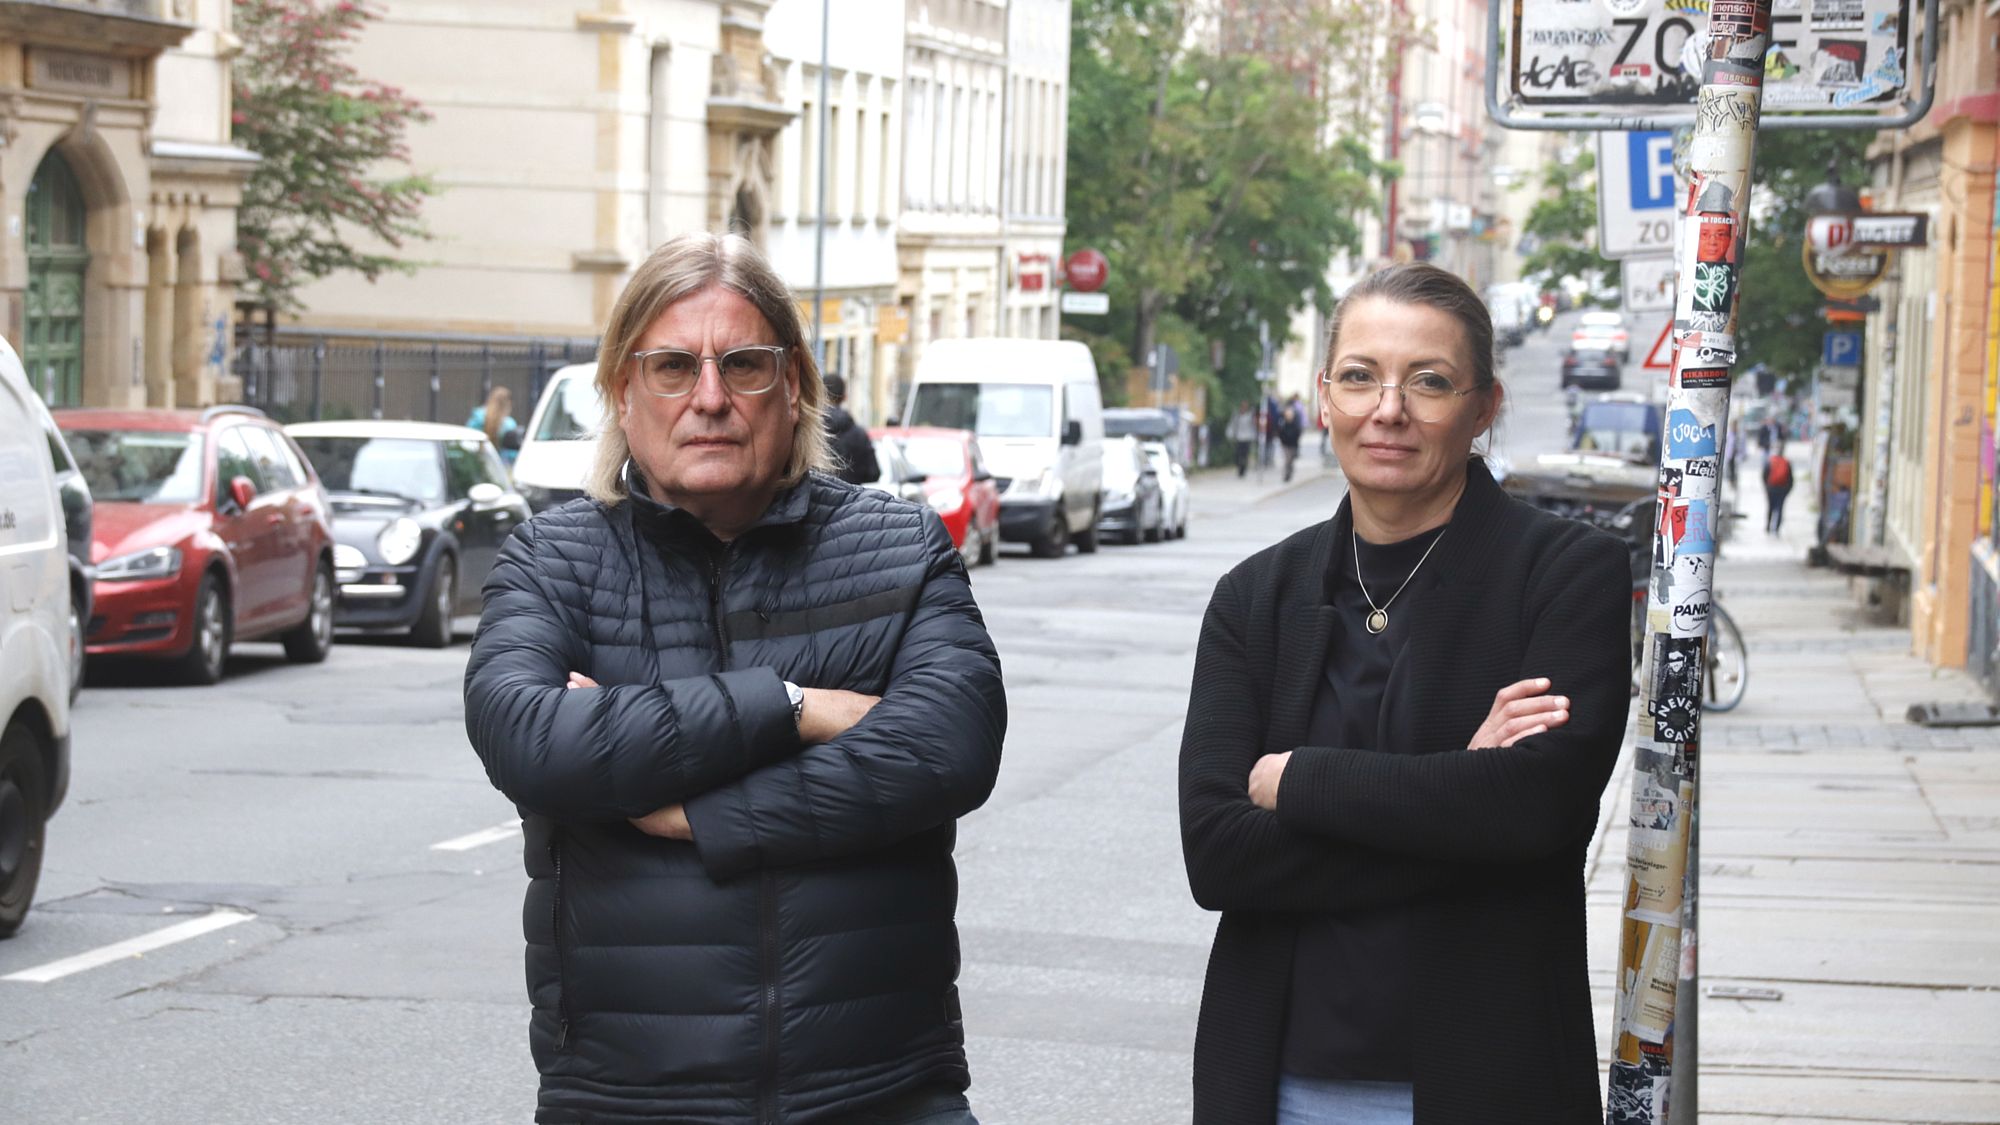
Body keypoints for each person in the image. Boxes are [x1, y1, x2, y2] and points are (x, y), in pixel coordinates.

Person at [464, 231, 1005, 1125]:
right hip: (626, 1098)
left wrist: (694, 812)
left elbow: (947, 749)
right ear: (620, 391)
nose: (709, 398)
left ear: (793, 386)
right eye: (674, 367)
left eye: (743, 365)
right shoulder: (554, 559)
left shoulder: (898, 549)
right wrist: (793, 707)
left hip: (882, 1092)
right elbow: (533, 741)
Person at [1178, 263, 1630, 1125]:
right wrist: (1454, 789)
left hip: (1489, 1078)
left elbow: (1534, 811)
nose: (1389, 409)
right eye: (1360, 377)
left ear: (1485, 405)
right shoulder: (1254, 597)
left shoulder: (1565, 576)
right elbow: (1218, 854)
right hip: (1278, 1086)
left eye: (1429, 381)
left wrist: (1303, 781)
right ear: (1323, 397)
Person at [821, 372, 880, 485]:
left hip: (814, 499)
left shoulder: (807, 433)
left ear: (820, 394)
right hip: (850, 498)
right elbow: (874, 473)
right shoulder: (859, 434)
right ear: (845, 397)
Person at [468, 385, 522, 466]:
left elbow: (467, 442)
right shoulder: (509, 424)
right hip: (499, 466)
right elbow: (513, 453)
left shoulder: (477, 418)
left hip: (476, 463)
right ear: (508, 404)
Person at [1764, 447, 1793, 534]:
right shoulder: (1786, 463)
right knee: (1780, 508)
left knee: (1770, 507)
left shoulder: (1770, 461)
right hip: (1782, 489)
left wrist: (1767, 486)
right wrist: (1787, 490)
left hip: (1771, 488)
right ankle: (1777, 528)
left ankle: (1768, 525)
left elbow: (1764, 475)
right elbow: (1791, 479)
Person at [1279, 394, 1305, 482]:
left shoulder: (1295, 424)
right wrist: (1282, 440)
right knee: (1287, 459)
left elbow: (1298, 433)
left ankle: (1289, 472)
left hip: (1293, 444)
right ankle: (1286, 474)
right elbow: (1280, 433)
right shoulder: (1283, 423)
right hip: (1285, 444)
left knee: (1291, 459)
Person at [1228, 402, 1259, 477]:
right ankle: (1239, 467)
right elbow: (1233, 425)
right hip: (1239, 437)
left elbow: (1254, 426)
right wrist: (1231, 434)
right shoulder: (1237, 415)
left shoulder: (1250, 415)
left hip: (1247, 437)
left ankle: (1243, 469)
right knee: (1238, 454)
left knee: (1245, 455)